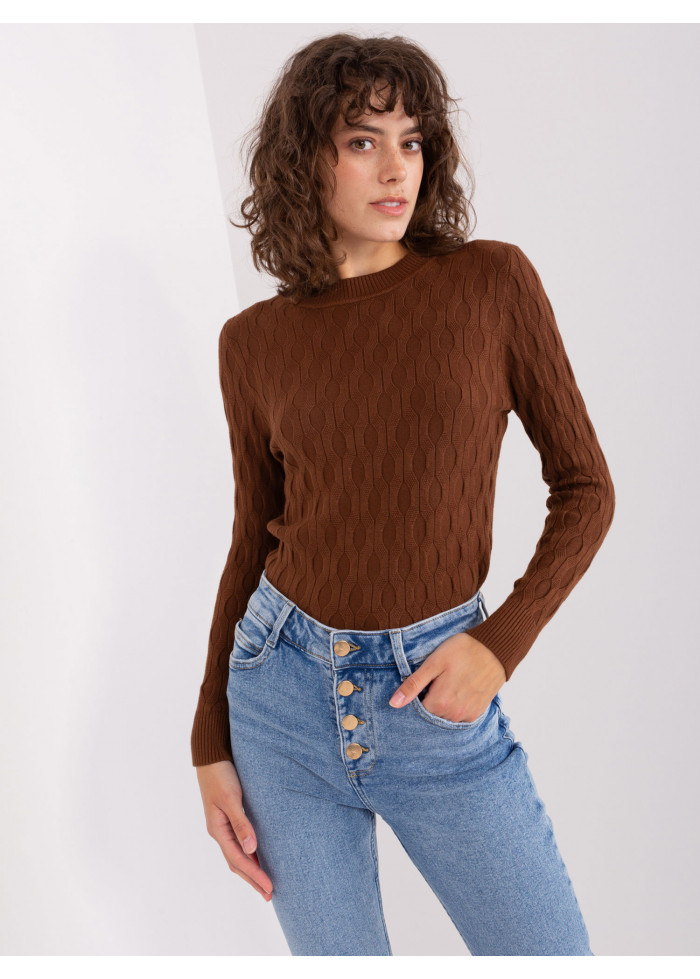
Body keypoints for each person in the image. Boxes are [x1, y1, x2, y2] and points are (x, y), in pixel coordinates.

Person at [191, 33, 615, 956]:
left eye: (412, 141)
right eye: (362, 141)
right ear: (306, 159)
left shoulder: (490, 283)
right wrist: (209, 740)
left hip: (434, 694)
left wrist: (499, 645)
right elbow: (252, 539)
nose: (397, 168)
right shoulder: (252, 342)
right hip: (279, 699)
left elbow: (586, 487)